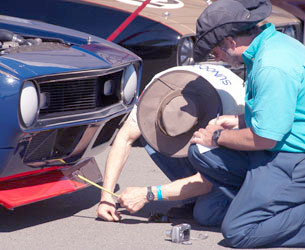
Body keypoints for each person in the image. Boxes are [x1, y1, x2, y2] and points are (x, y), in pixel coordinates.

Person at [115, 0, 305, 248]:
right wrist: (239, 120)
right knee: (201, 158)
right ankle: (262, 200)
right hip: (279, 148)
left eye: (215, 52)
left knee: (239, 231)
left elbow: (266, 138)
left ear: (230, 42)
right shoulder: (274, 45)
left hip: (291, 157)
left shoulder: (271, 66)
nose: (217, 59)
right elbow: (283, 112)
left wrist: (216, 138)